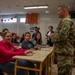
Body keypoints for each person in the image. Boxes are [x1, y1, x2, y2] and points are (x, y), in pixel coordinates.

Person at [51, 5, 74, 75]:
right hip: (64, 52)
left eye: (59, 10)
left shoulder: (66, 21)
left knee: (64, 72)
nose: (57, 12)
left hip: (65, 53)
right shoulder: (64, 21)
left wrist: (52, 36)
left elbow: (62, 36)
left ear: (64, 11)